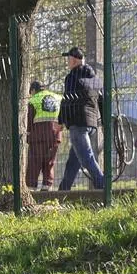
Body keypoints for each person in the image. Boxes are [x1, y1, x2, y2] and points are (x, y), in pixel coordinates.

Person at [58, 46, 105, 191]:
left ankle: (103, 186)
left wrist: (61, 121)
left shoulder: (72, 77)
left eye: (68, 59)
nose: (67, 62)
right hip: (91, 124)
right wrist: (102, 121)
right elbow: (102, 101)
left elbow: (68, 100)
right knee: (73, 161)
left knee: (87, 158)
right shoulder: (95, 79)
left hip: (77, 123)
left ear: (74, 60)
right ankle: (63, 190)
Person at [25, 80, 63, 190]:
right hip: (55, 135)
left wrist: (28, 135)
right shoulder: (58, 98)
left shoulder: (33, 100)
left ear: (33, 90)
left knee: (34, 162)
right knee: (49, 162)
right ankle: (47, 186)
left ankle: (31, 187)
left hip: (38, 136)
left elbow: (29, 119)